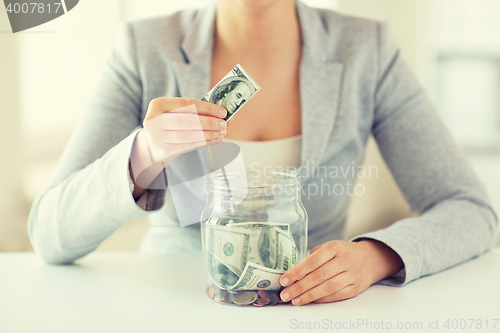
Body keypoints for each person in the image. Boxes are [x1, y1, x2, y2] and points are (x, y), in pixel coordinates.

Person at [28, 0, 498, 307]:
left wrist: (375, 256)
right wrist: (143, 154)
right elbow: (49, 234)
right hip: (170, 306)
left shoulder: (367, 51)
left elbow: (474, 211)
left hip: (311, 309)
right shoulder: (143, 48)